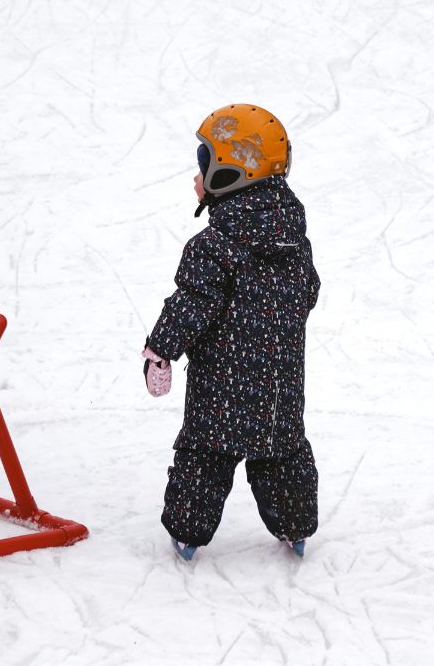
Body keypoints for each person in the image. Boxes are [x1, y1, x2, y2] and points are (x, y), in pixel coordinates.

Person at [141, 104, 321, 561]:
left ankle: (187, 533)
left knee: (204, 458)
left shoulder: (213, 246)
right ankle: (295, 527)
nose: (196, 178)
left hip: (220, 390)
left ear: (230, 175)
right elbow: (310, 291)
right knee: (281, 454)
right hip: (281, 388)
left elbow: (191, 305)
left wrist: (160, 351)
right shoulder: (292, 239)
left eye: (203, 166)